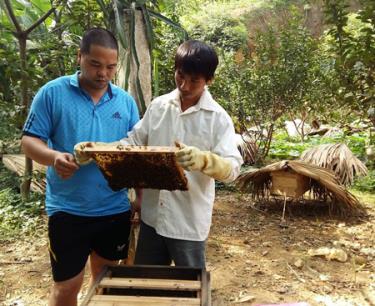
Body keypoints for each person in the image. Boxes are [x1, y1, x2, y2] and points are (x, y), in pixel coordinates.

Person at [21, 28, 139, 306]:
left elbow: (135, 153)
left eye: (111, 67)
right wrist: (54, 158)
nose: (103, 74)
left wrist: (140, 197)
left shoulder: (125, 102)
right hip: (68, 209)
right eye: (95, 64)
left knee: (106, 281)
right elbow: (29, 140)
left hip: (113, 208)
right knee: (66, 286)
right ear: (80, 57)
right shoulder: (52, 93)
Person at [122, 40, 243, 268]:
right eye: (180, 75)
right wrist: (103, 148)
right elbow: (134, 141)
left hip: (188, 221)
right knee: (147, 286)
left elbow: (233, 168)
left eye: (194, 80)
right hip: (152, 217)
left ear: (209, 80)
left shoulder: (217, 118)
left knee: (190, 289)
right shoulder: (158, 107)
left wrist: (205, 160)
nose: (185, 85)